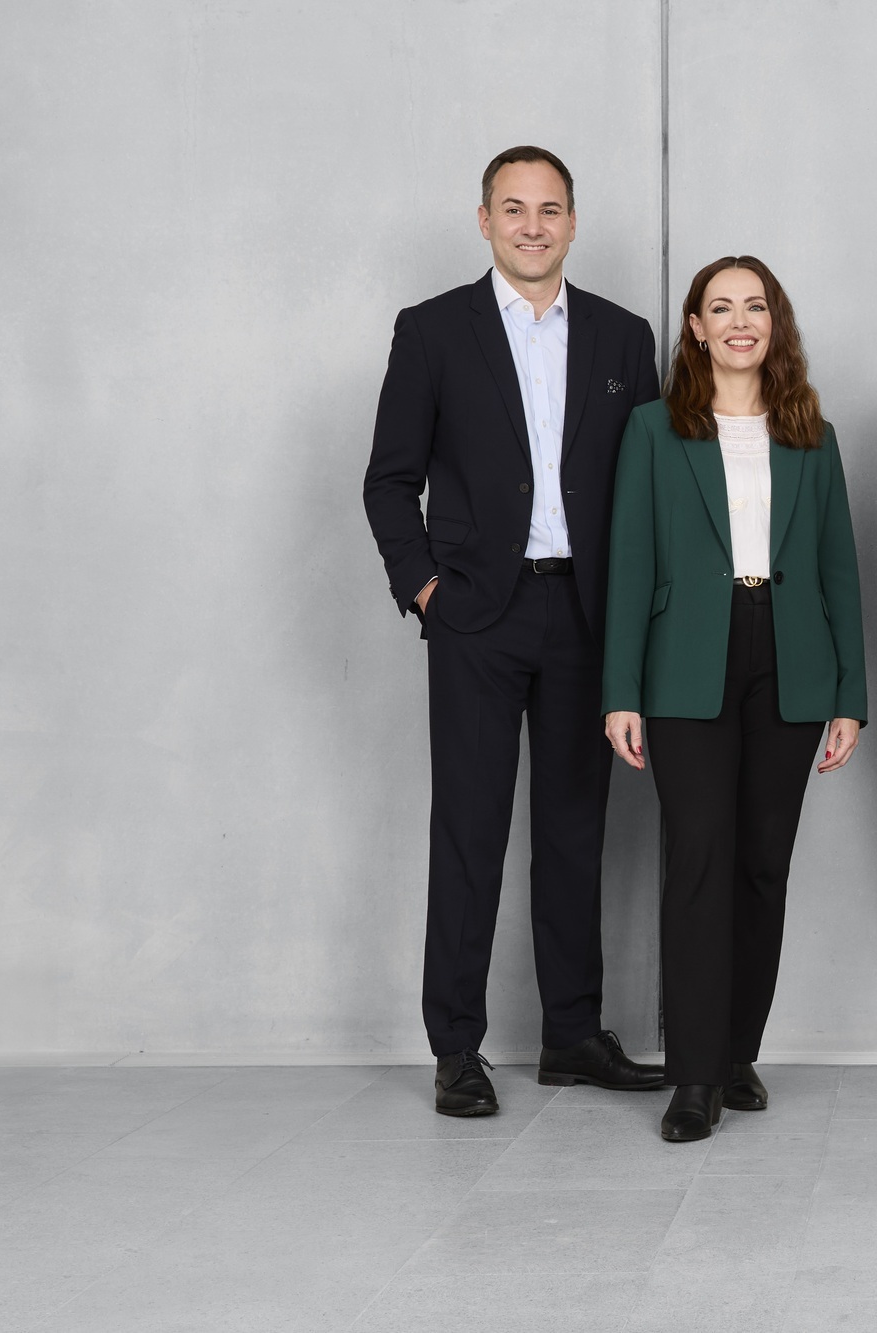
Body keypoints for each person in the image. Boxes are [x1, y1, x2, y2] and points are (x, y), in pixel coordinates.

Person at [362, 145, 666, 1116]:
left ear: (573, 221)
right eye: (513, 208)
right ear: (485, 220)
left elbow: (652, 485)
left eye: (550, 208)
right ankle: (456, 1045)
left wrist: (642, 621)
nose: (532, 225)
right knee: (469, 830)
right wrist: (425, 592)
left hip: (585, 616)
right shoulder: (435, 330)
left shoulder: (623, 338)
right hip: (475, 618)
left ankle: (572, 1035)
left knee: (575, 835)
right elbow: (387, 477)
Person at [603, 256, 867, 1143]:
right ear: (696, 328)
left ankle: (737, 1049)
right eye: (722, 307)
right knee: (700, 861)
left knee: (762, 863)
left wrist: (850, 696)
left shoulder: (812, 435)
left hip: (790, 660)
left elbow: (839, 571)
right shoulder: (652, 428)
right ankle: (694, 1073)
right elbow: (631, 562)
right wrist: (621, 690)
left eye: (756, 306)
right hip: (685, 662)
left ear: (774, 324)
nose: (740, 320)